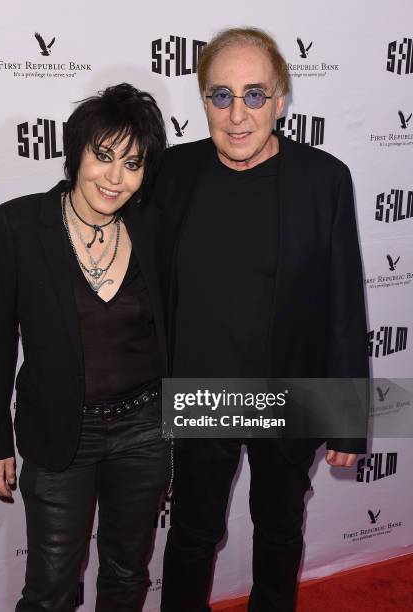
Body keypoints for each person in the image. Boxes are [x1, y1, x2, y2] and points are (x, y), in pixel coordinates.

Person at [153, 28, 369, 612]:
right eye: (221, 96)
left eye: (254, 95)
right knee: (194, 535)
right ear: (203, 103)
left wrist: (347, 417)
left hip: (288, 393)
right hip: (200, 392)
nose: (238, 114)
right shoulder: (171, 173)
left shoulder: (324, 178)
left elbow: (345, 302)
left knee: (278, 530)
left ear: (279, 99)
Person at [0, 83, 169, 612]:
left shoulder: (152, 227)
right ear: (75, 152)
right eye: (102, 156)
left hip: (145, 430)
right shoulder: (18, 224)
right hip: (62, 432)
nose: (115, 177)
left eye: (132, 163)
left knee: (129, 574)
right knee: (51, 588)